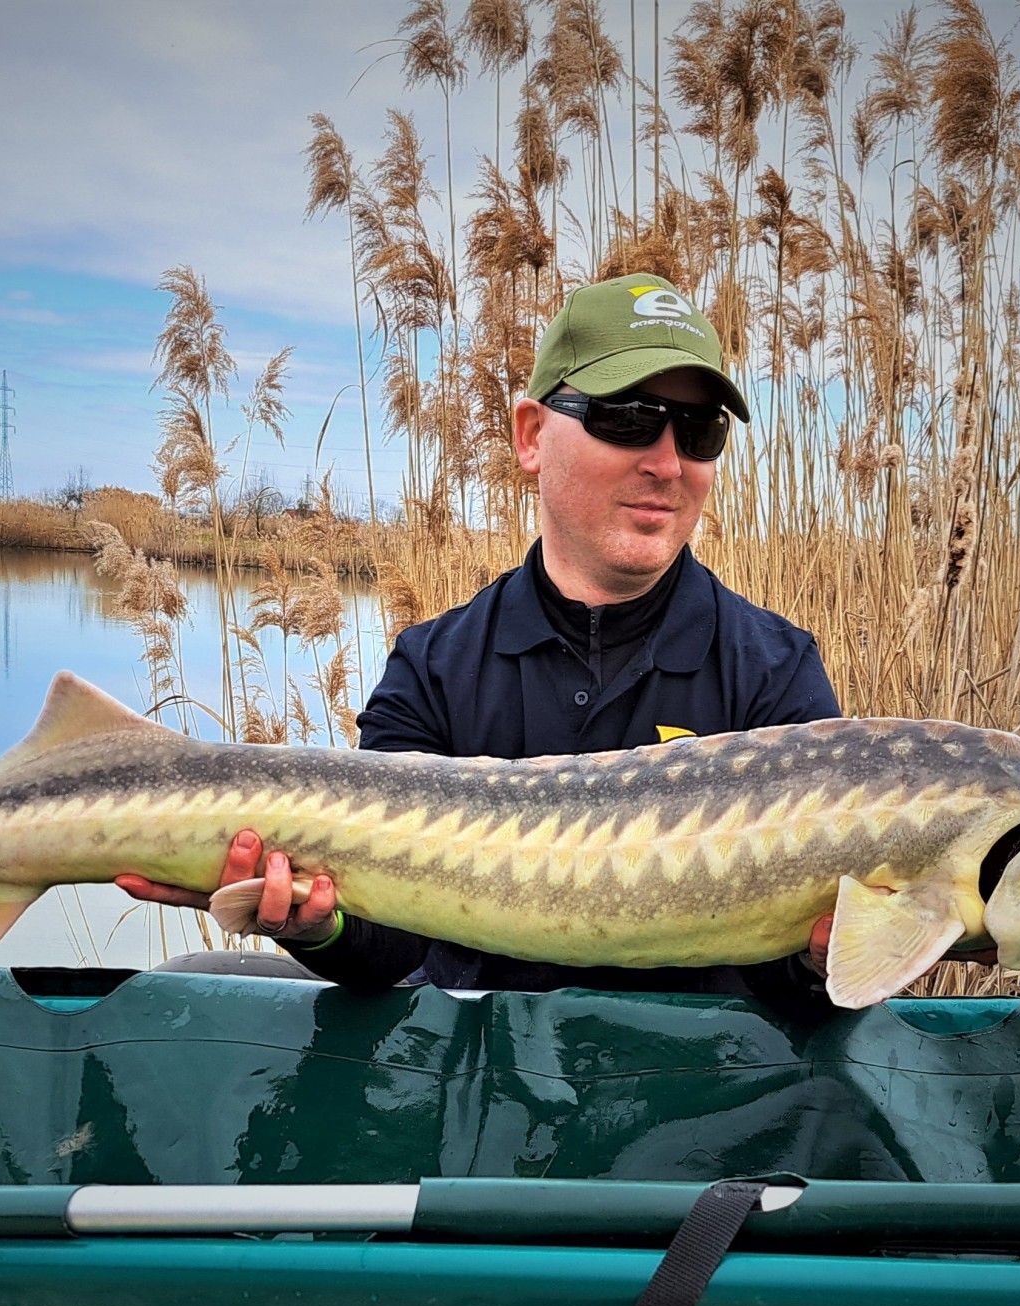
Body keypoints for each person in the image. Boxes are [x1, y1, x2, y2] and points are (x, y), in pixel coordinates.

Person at [119, 273, 849, 1012]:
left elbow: (791, 991)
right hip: (469, 1090)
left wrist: (831, 958)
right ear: (532, 435)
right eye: (627, 418)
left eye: (700, 432)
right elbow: (388, 946)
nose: (666, 463)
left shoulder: (777, 671)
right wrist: (318, 928)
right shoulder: (436, 663)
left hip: (686, 1096)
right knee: (181, 976)